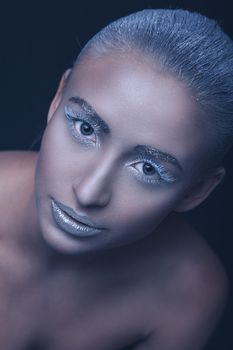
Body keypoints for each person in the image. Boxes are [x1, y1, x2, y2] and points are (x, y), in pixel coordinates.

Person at [0, 8, 231, 350]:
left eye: (148, 169)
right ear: (58, 98)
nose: (89, 191)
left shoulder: (189, 291)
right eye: (85, 128)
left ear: (196, 190)